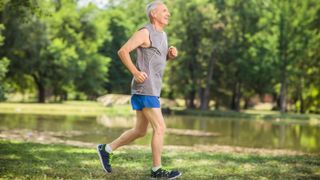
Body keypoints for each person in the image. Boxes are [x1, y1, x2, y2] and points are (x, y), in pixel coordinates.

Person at [96, 1, 182, 179]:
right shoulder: (145, 32)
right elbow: (123, 51)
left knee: (140, 131)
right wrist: (135, 72)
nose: (168, 13)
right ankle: (157, 170)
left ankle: (106, 149)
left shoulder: (163, 35)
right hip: (145, 88)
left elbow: (157, 60)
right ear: (154, 15)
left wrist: (170, 55)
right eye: (164, 10)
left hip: (152, 89)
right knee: (160, 127)